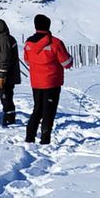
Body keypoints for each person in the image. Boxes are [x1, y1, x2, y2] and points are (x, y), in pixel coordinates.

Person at [23, 14, 73, 145]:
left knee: (37, 109)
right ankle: (45, 140)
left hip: (36, 82)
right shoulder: (55, 43)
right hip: (52, 82)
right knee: (48, 112)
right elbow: (66, 62)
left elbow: (27, 60)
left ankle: (29, 137)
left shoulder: (28, 43)